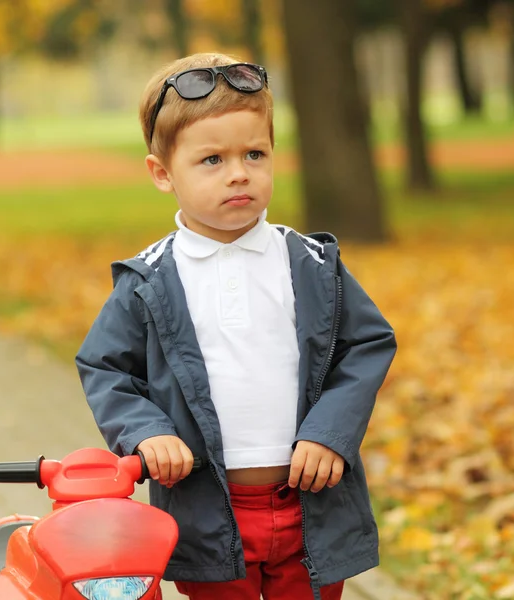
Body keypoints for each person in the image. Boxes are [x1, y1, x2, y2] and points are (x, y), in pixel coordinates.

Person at [76, 52, 397, 600]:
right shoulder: (149, 280)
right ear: (162, 173)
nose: (239, 173)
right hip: (208, 512)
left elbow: (367, 343)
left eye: (255, 153)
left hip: (311, 505)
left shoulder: (310, 264)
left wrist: (330, 434)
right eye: (212, 160)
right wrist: (148, 431)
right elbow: (105, 367)